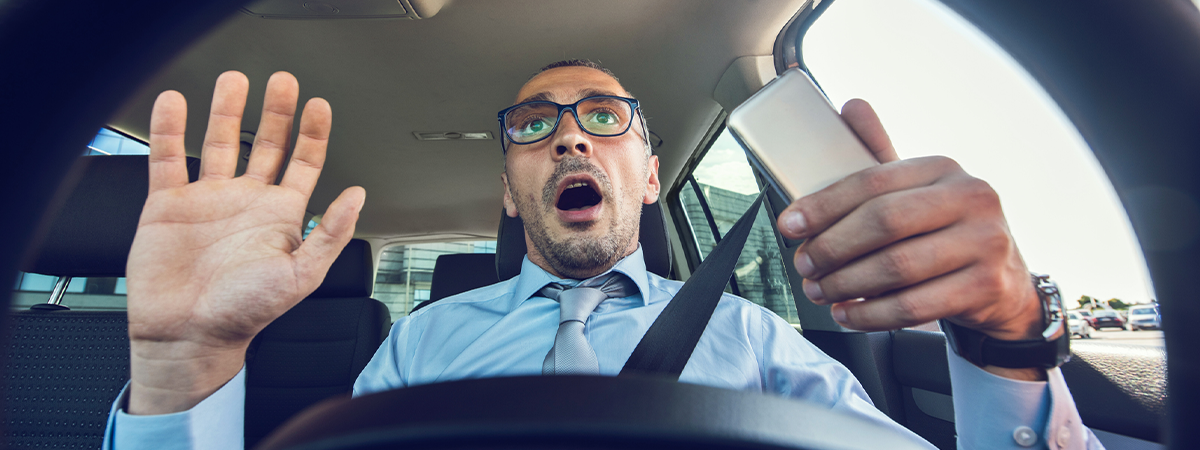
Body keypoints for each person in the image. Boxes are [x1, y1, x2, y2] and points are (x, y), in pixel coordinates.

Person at [103, 60, 1101, 449]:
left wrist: (1010, 341)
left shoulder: (753, 338)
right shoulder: (421, 342)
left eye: (600, 117)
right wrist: (183, 371)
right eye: (535, 126)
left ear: (653, 174)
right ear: (508, 190)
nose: (570, 138)